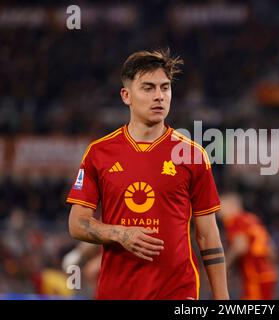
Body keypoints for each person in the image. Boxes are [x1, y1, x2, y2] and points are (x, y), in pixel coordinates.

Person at [66, 49, 229, 300]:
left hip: (177, 293)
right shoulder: (99, 153)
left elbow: (208, 235)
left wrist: (223, 300)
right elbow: (77, 223)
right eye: (148, 88)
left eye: (165, 88)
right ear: (126, 95)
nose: (159, 97)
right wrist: (120, 233)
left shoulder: (193, 155)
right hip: (117, 292)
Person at [218, 192, 277, 299]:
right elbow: (272, 250)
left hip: (254, 274)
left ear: (232, 206)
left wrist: (224, 266)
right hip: (268, 273)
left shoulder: (234, 220)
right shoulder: (252, 218)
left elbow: (240, 247)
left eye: (221, 207)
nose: (219, 212)